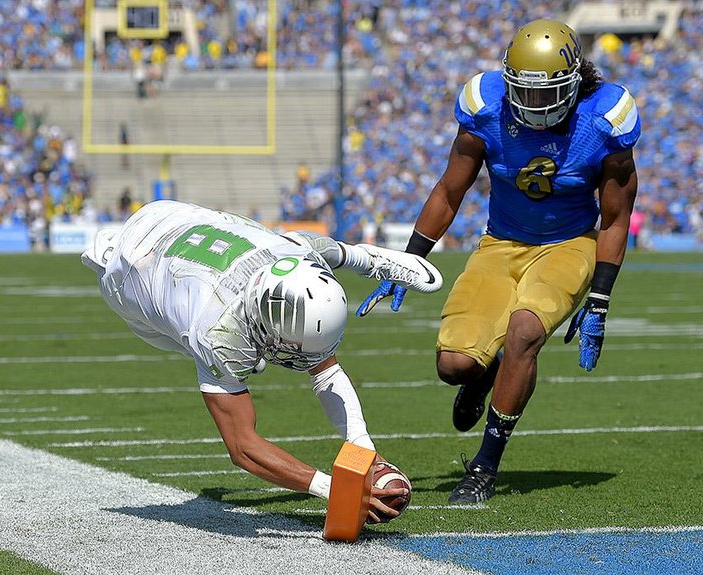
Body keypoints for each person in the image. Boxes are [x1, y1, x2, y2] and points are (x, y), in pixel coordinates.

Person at [358, 19, 640, 504]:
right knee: (455, 366)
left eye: (545, 93)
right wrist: (407, 261)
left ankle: (485, 465)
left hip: (569, 243)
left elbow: (615, 219)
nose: (533, 105)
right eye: (523, 93)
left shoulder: (604, 119)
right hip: (500, 242)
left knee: (525, 332)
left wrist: (599, 299)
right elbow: (450, 191)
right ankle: (484, 373)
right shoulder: (486, 106)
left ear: (574, 81)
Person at [82, 200, 442, 522]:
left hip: (177, 216)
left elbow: (355, 260)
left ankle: (260, 353)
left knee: (288, 343)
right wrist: (332, 489)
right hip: (128, 270)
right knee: (204, 348)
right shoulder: (218, 330)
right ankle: (247, 355)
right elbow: (243, 448)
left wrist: (363, 450)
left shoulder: (301, 251)